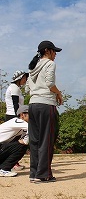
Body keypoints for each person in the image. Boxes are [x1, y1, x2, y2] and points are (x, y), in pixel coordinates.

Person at [28, 40, 63, 183]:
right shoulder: (50, 64)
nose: (55, 54)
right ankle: (44, 174)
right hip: (46, 104)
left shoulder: (33, 67)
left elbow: (27, 88)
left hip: (33, 105)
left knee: (35, 141)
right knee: (47, 140)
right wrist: (58, 93)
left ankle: (34, 173)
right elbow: (49, 83)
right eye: (54, 51)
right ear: (47, 51)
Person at [5, 70, 28, 171]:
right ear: (20, 78)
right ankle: (12, 163)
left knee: (15, 139)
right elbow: (15, 104)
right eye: (25, 78)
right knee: (15, 140)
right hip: (12, 115)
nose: (26, 80)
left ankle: (14, 162)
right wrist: (17, 117)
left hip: (13, 115)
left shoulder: (15, 88)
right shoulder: (14, 88)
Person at [0, 105, 29, 177]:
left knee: (20, 144)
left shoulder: (20, 126)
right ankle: (4, 169)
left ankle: (3, 168)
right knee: (21, 146)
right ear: (22, 115)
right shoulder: (18, 121)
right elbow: (32, 130)